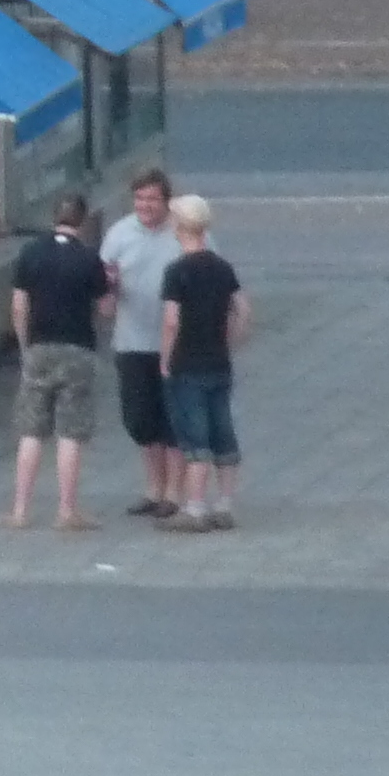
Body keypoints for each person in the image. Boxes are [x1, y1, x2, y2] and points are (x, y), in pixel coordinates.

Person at [6, 191, 112, 528]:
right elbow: (106, 309)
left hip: (39, 348)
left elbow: (19, 306)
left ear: (54, 217)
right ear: (83, 220)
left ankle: (20, 511)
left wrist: (25, 346)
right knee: (70, 433)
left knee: (31, 431)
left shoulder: (31, 252)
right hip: (78, 349)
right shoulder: (89, 259)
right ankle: (66, 511)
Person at [153, 193, 247, 531]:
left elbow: (171, 321)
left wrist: (166, 359)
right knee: (223, 432)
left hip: (187, 363)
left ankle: (194, 508)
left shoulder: (176, 271)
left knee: (195, 438)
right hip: (218, 362)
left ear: (179, 226)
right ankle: (225, 504)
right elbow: (242, 309)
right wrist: (229, 341)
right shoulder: (222, 267)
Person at [97, 167, 184, 518]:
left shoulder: (183, 232)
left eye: (152, 199)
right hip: (131, 341)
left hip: (176, 342)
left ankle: (173, 493)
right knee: (140, 420)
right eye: (139, 198)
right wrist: (109, 290)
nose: (145, 205)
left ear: (166, 201)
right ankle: (153, 488)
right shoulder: (119, 234)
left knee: (173, 420)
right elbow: (104, 299)